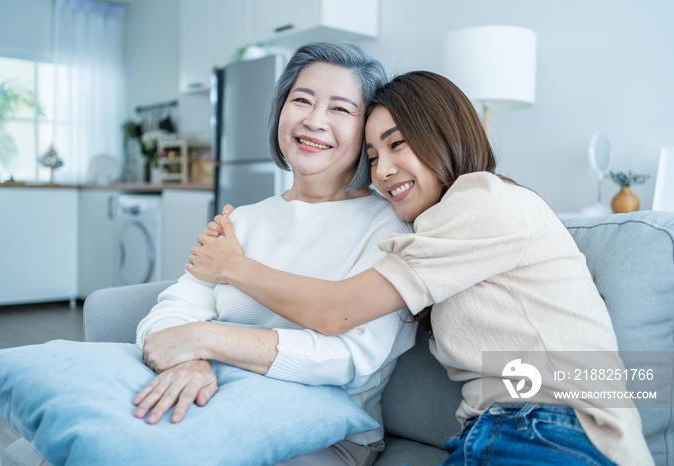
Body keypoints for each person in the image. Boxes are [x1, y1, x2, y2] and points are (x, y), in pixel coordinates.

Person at [188, 71, 653, 465]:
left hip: (553, 426)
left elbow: (335, 312)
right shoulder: (433, 232)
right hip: (494, 431)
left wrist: (232, 267)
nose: (383, 170)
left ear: (443, 135)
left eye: (398, 145)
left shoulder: (483, 199)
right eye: (371, 157)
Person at [134, 42, 416, 466]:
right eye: (301, 99)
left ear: (368, 130)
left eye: (341, 109)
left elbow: (348, 359)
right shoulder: (241, 221)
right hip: (214, 402)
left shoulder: (387, 228)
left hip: (324, 434)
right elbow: (170, 313)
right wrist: (186, 364)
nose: (314, 119)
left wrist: (204, 339)